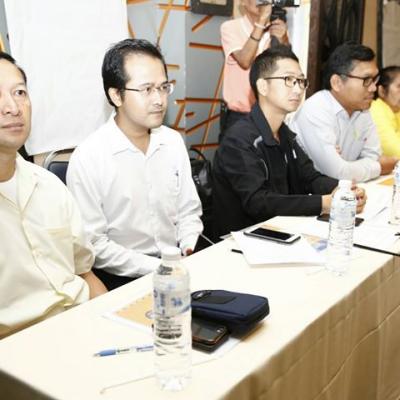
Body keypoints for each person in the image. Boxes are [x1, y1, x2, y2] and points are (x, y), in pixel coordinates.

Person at [67, 39, 203, 290]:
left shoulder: (172, 142)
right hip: (121, 278)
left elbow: (188, 211)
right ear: (116, 95)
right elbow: (94, 244)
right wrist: (157, 267)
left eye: (163, 87)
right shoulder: (89, 157)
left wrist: (188, 246)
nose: (159, 99)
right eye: (147, 89)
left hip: (179, 264)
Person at [0, 52, 107, 338]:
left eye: (19, 92)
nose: (12, 107)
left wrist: (112, 323)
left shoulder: (49, 185)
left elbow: (85, 273)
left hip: (83, 324)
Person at [212, 45, 366, 237]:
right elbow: (258, 202)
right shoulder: (239, 140)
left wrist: (343, 189)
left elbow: (310, 178)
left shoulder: (284, 133)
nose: (298, 89)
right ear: (263, 86)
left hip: (280, 230)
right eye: (288, 80)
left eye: (301, 81)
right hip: (239, 240)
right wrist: (324, 203)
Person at [290, 42, 398, 182]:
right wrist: (379, 167)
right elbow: (337, 172)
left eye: (375, 79)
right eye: (366, 80)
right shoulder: (316, 110)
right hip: (307, 192)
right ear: (337, 82)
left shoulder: (363, 111)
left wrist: (349, 167)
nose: (373, 88)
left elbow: (373, 156)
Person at [220, 0, 289, 130]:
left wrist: (283, 40)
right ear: (243, 2)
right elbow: (245, 61)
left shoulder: (275, 28)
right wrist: (261, 22)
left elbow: (285, 69)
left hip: (269, 114)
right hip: (239, 116)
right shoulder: (230, 27)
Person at [370, 66, 400, 158]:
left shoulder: (396, 109)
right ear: (382, 91)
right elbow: (395, 151)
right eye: (399, 87)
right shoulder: (375, 110)